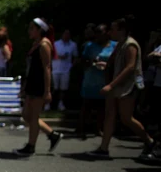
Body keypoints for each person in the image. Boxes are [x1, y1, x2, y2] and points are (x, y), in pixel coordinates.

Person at [88, 16, 157, 160]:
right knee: (110, 116)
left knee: (126, 118)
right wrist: (106, 66)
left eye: (113, 29)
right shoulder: (120, 44)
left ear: (122, 30)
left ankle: (149, 141)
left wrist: (110, 85)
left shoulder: (130, 44)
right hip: (116, 87)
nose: (110, 32)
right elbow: (117, 64)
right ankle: (104, 148)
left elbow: (130, 67)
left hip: (127, 87)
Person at [14, 18, 64, 156]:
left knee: (34, 117)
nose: (29, 31)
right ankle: (52, 134)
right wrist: (24, 87)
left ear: (40, 30)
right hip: (32, 83)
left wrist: (47, 91)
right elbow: (30, 68)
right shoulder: (36, 44)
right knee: (26, 115)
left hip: (40, 85)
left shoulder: (44, 45)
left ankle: (31, 146)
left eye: (32, 28)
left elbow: (47, 68)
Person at [77, 24, 116, 137]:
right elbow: (83, 61)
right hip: (91, 79)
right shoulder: (90, 46)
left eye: (101, 33)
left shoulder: (114, 46)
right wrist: (91, 62)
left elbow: (118, 62)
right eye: (97, 33)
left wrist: (107, 65)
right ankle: (81, 127)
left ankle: (98, 128)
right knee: (86, 104)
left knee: (102, 106)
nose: (98, 36)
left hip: (106, 79)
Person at [50, 28, 78, 111]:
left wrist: (71, 66)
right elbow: (50, 55)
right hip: (55, 69)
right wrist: (59, 57)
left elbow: (76, 57)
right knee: (54, 88)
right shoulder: (55, 44)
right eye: (65, 34)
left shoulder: (73, 45)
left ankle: (60, 103)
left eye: (68, 34)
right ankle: (48, 103)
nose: (66, 36)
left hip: (66, 70)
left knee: (63, 88)